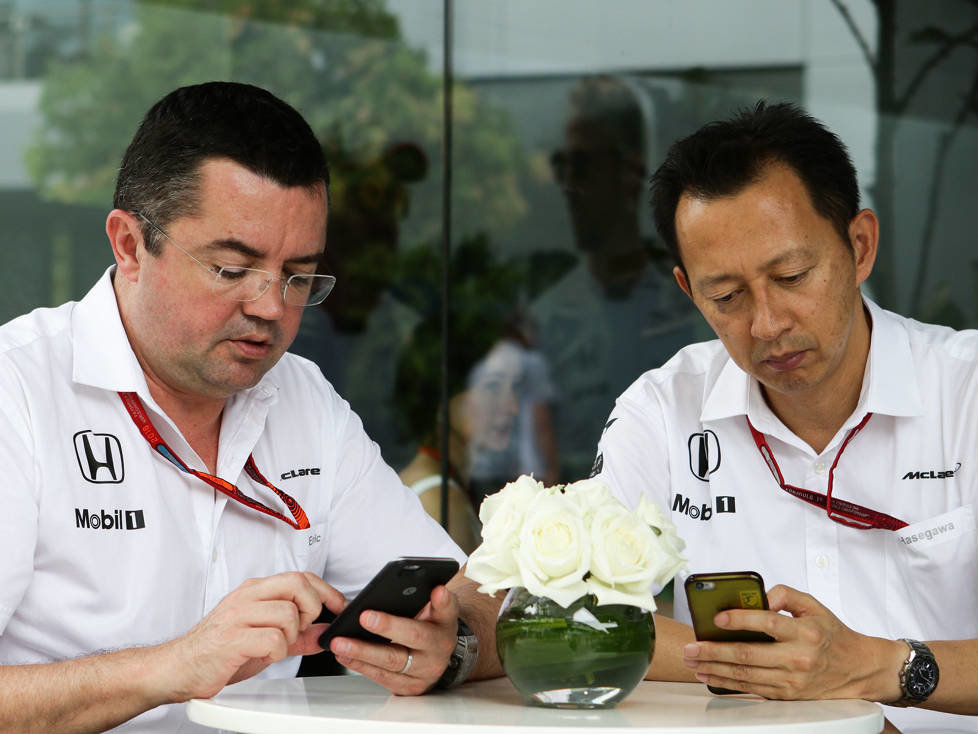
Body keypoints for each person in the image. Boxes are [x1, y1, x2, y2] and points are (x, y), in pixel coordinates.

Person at [0, 81, 500, 733]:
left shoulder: (302, 397)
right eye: (232, 269)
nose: (269, 306)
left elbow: (478, 601)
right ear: (129, 245)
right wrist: (168, 668)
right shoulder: (20, 391)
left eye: (299, 276)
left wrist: (449, 648)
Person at [591, 101, 978, 732]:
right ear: (689, 291)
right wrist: (767, 670)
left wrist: (880, 669)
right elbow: (581, 610)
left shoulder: (967, 392)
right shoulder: (662, 410)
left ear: (860, 246)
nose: (767, 324)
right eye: (727, 296)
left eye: (793, 275)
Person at [531, 74, 701, 481]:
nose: (569, 184)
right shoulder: (544, 321)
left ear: (630, 171)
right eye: (562, 164)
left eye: (583, 164)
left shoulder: (698, 306)